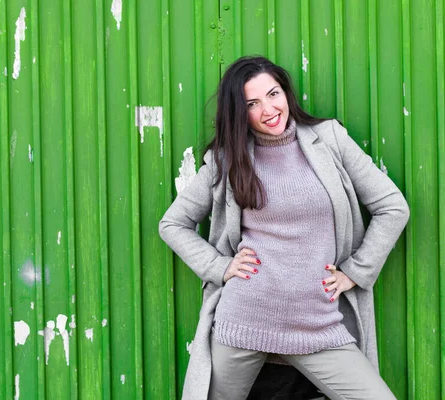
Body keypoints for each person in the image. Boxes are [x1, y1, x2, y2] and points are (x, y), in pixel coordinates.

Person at [159, 56, 409, 400]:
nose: (268, 109)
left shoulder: (330, 140)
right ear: (239, 112)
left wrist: (355, 272)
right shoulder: (228, 159)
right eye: (252, 103)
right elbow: (173, 223)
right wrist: (220, 266)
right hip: (244, 320)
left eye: (273, 94)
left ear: (286, 93)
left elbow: (393, 207)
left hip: (317, 323)